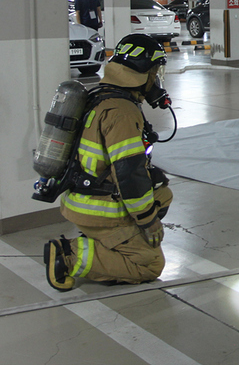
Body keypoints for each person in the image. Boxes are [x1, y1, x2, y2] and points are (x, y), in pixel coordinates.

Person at [44, 33, 173, 291]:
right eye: (155, 71)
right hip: (95, 206)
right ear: (144, 73)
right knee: (149, 265)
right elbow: (129, 176)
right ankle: (69, 255)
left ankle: (108, 238)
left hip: (78, 196)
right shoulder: (122, 112)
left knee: (162, 191)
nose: (156, 79)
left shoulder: (102, 95)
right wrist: (148, 222)